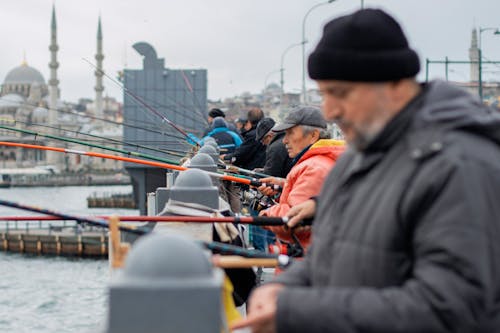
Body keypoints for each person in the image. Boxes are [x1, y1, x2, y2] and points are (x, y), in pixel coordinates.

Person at [233, 8, 500, 333]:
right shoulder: (358, 157)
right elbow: (329, 258)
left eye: (341, 93)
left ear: (395, 85)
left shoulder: (460, 164)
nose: (330, 111)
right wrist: (284, 289)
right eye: (324, 94)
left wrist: (300, 310)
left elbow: (451, 309)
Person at [257, 106, 344, 251]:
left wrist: (266, 214)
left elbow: (294, 220)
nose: (284, 140)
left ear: (313, 136)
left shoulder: (314, 168)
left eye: (290, 133)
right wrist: (284, 186)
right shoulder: (319, 163)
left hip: (304, 258)